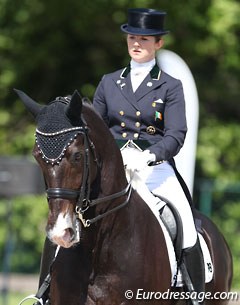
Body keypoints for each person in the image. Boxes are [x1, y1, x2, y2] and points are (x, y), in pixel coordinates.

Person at [93, 7, 205, 302]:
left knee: (185, 223)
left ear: (159, 43)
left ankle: (189, 289)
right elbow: (97, 129)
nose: (137, 43)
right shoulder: (108, 82)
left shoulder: (170, 86)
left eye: (144, 38)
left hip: (153, 167)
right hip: (115, 167)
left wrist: (149, 156)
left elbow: (176, 134)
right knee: (70, 215)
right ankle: (47, 288)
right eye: (132, 37)